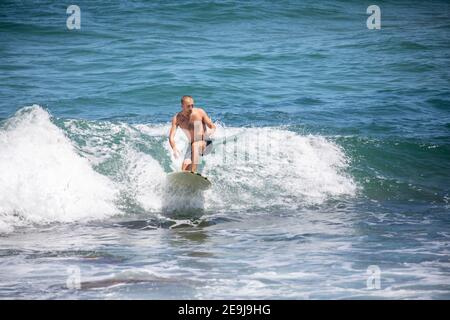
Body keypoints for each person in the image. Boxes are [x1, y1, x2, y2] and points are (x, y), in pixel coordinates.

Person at [169, 95, 216, 172]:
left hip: (206, 143)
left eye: (192, 105)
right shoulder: (177, 118)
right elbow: (171, 137)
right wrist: (174, 148)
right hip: (192, 145)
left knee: (195, 145)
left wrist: (208, 133)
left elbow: (212, 127)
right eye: (188, 106)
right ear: (182, 106)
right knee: (184, 169)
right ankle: (188, 181)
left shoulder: (200, 112)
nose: (191, 108)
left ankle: (193, 173)